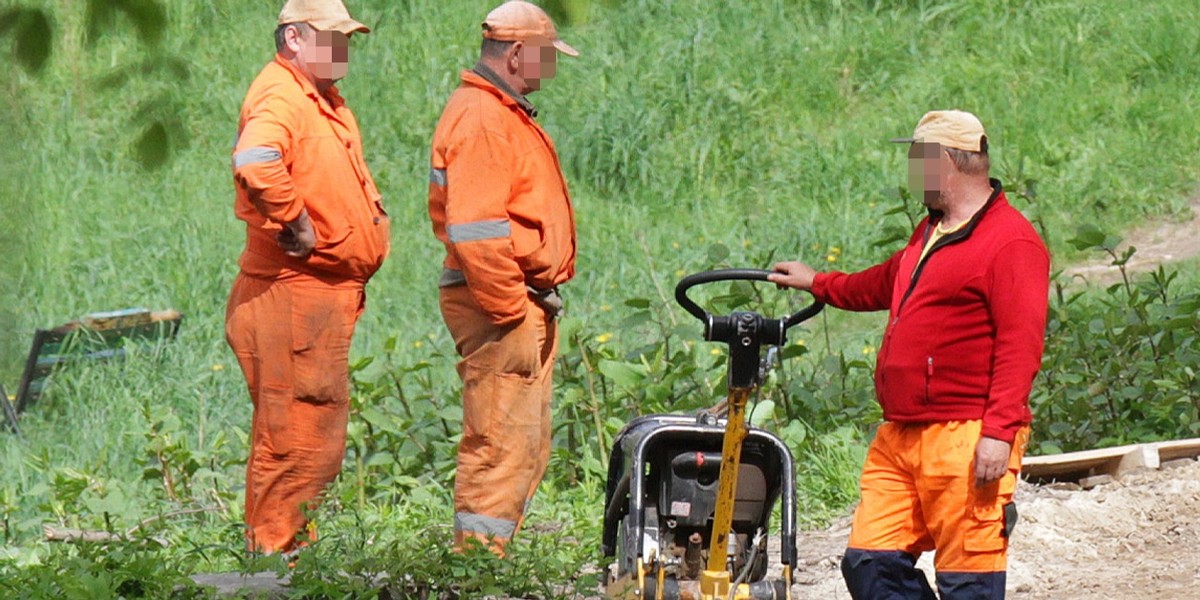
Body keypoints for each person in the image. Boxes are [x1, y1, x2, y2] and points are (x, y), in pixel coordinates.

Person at [770, 110, 1049, 599]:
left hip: (965, 434)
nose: (912, 172)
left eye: (919, 159)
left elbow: (1020, 345)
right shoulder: (931, 231)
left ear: (947, 162)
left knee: (969, 581)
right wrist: (818, 282)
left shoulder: (1012, 243)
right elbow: (884, 281)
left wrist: (999, 433)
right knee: (868, 562)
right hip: (901, 434)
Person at [226, 0, 388, 554]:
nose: (342, 48)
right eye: (331, 36)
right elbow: (255, 157)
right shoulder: (281, 93)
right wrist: (293, 218)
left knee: (312, 437)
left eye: (346, 38)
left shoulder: (316, 96)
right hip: (289, 296)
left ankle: (292, 554)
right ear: (293, 38)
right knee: (290, 438)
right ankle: (271, 564)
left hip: (316, 301)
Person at [427, 0, 579, 556]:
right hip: (500, 301)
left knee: (522, 442)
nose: (552, 69)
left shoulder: (501, 111)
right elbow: (476, 231)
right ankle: (476, 572)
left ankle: (492, 562)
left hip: (518, 297)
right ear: (517, 54)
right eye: (547, 57)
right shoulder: (484, 117)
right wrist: (511, 309)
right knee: (499, 442)